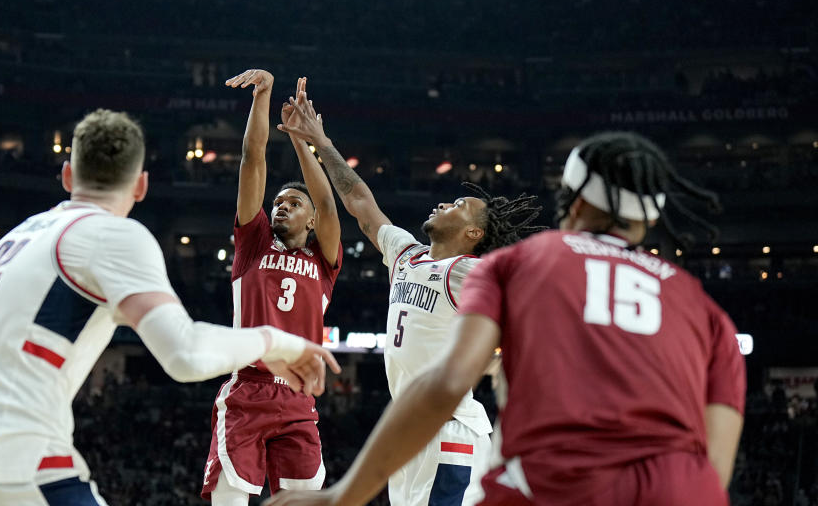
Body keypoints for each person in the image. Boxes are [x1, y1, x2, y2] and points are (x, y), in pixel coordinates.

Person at [265, 131, 746, 506]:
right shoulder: (709, 313)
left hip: (540, 467)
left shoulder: (523, 264)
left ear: (573, 201)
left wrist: (343, 494)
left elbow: (448, 383)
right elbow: (715, 467)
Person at [0, 108, 340, 506]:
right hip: (19, 464)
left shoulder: (8, 243)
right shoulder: (116, 235)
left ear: (67, 175)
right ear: (141, 185)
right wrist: (279, 342)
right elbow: (184, 354)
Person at [277, 86, 542, 506]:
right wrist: (320, 142)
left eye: (458, 204)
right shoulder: (406, 254)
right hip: (410, 431)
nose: (443, 203)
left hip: (451, 429)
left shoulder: (469, 271)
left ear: (473, 233)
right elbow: (360, 202)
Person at [201, 72, 343, 505]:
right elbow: (252, 159)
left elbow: (327, 202)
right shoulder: (253, 244)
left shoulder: (324, 260)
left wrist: (302, 141)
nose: (281, 205)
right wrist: (261, 97)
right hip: (248, 388)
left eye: (293, 203)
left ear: (312, 219)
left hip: (299, 398)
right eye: (278, 201)